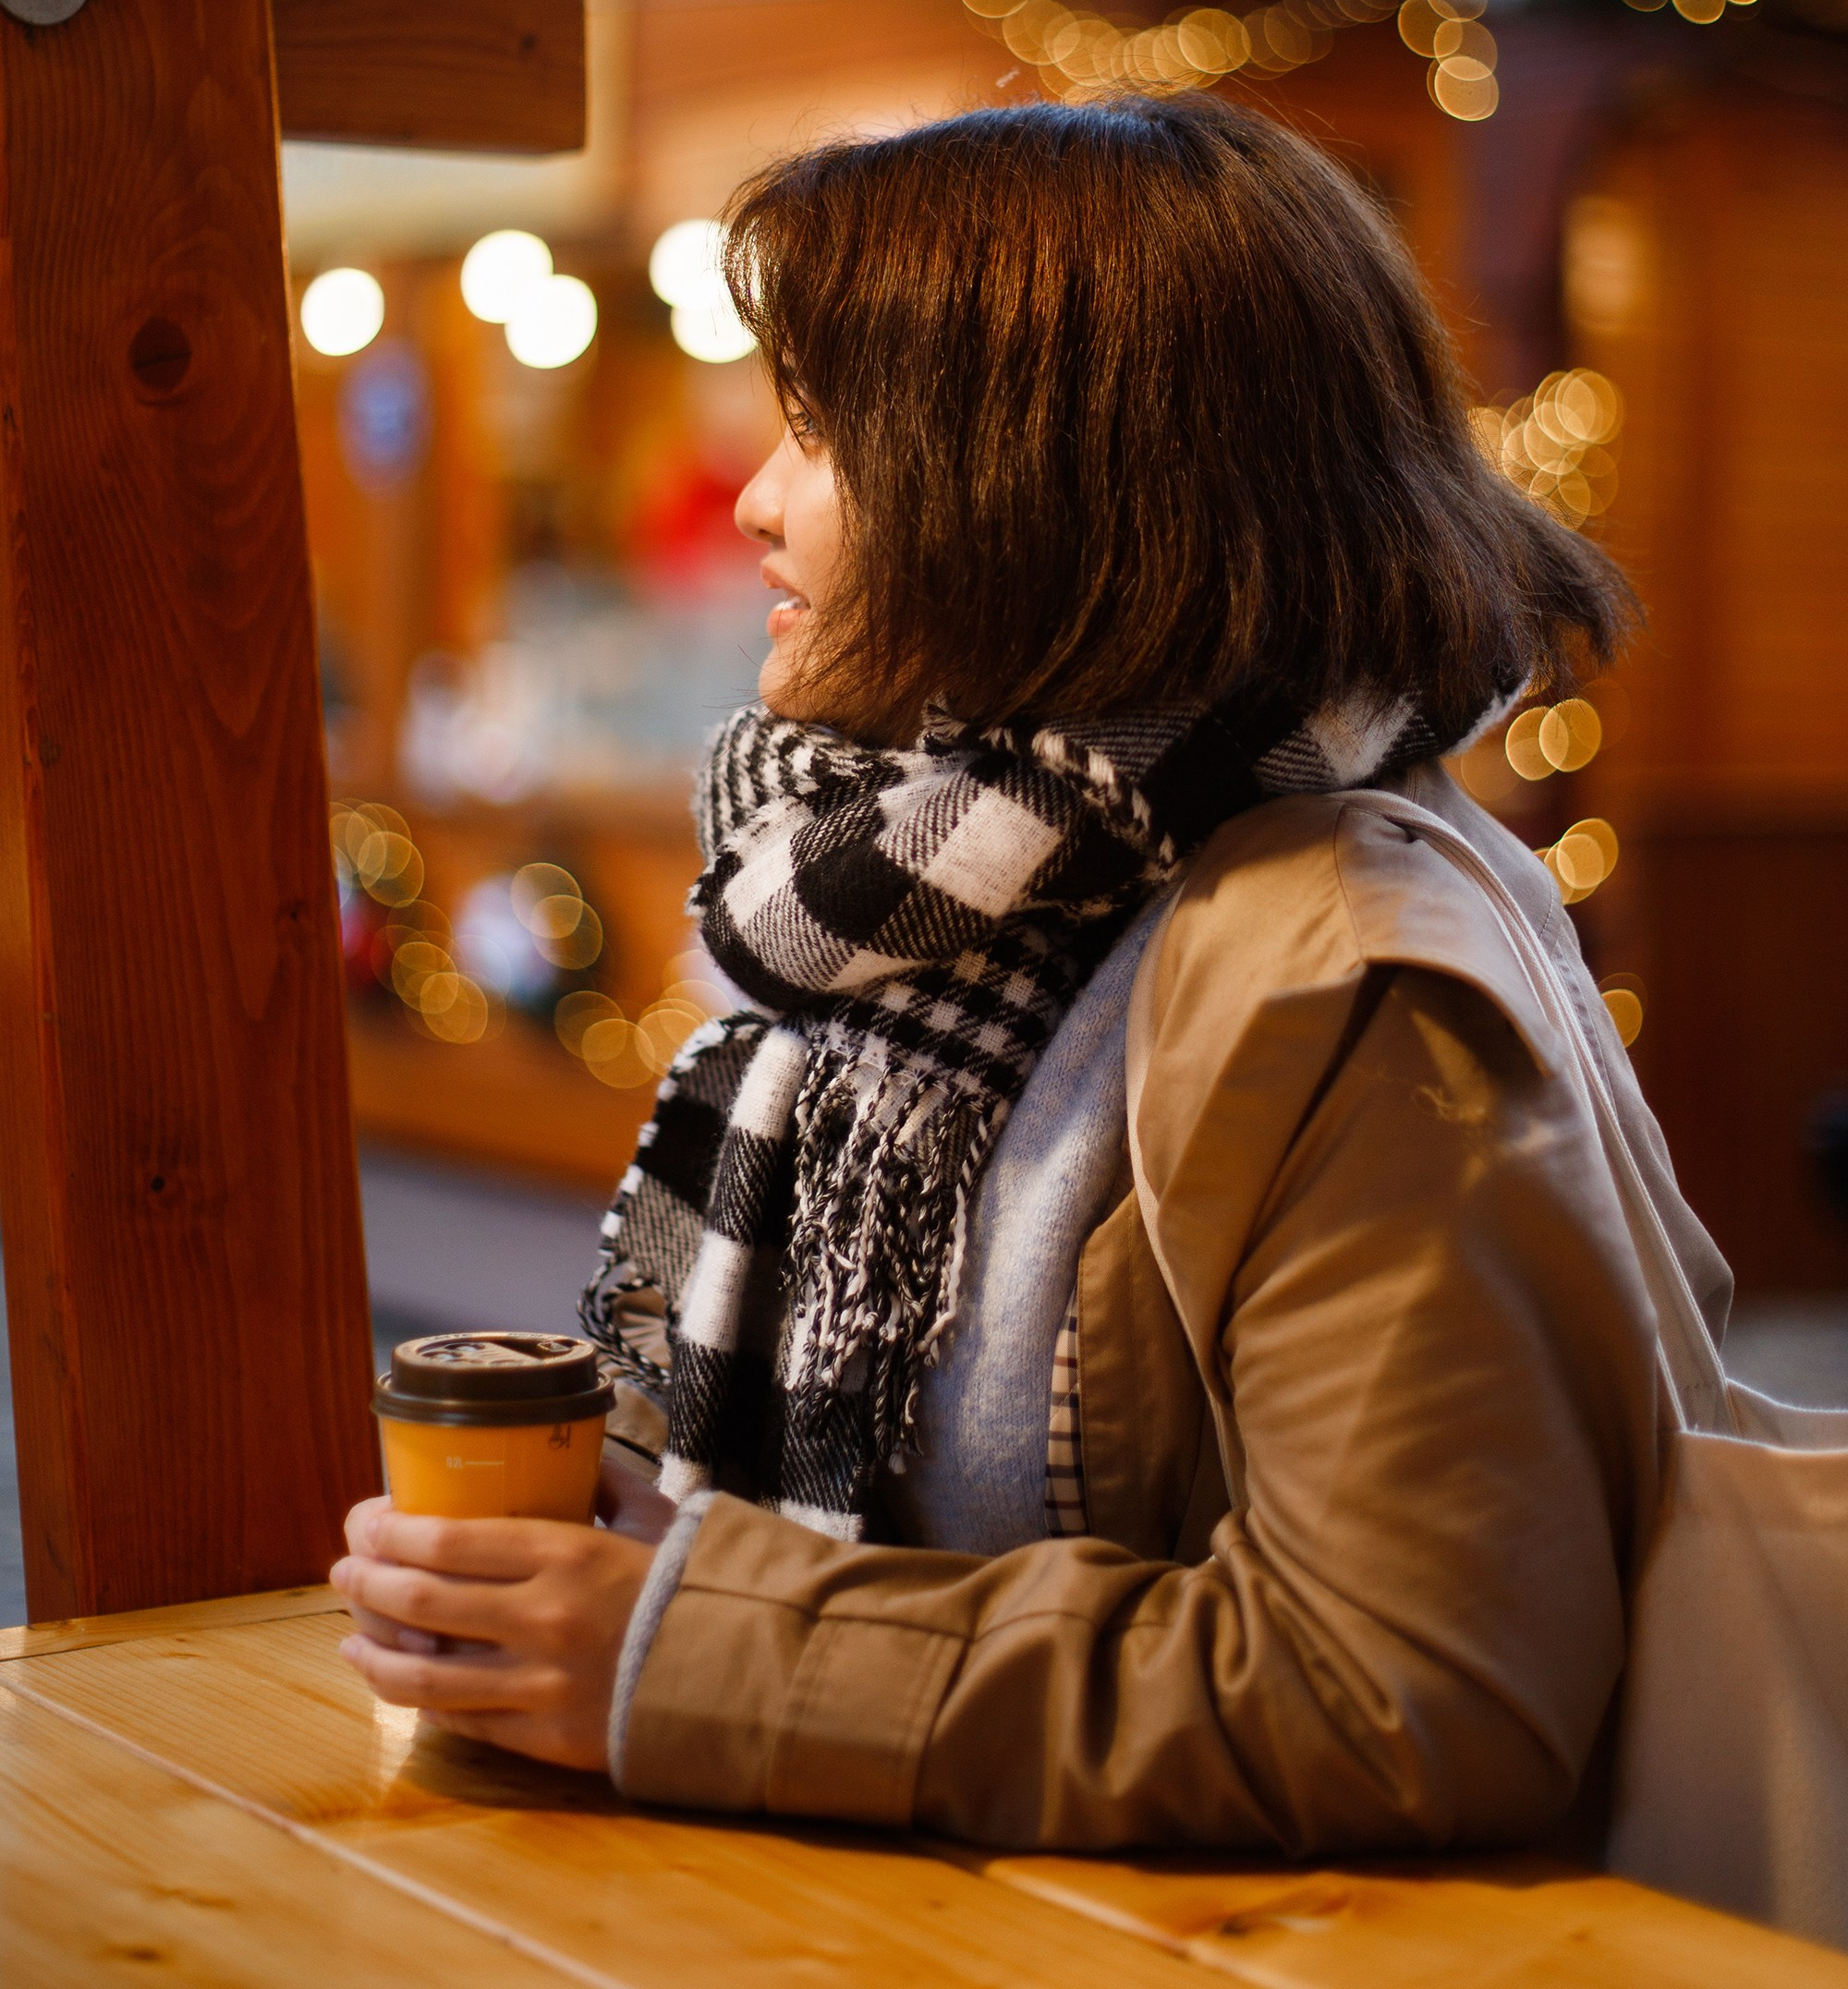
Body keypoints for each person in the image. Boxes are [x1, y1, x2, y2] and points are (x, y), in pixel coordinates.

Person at [334, 96, 1726, 1854]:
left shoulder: (1342, 970)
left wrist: (700, 1645)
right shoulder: (974, 902)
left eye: (825, 435)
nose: (756, 503)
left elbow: (1411, 1696)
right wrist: (650, 1566)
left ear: (1052, 482)